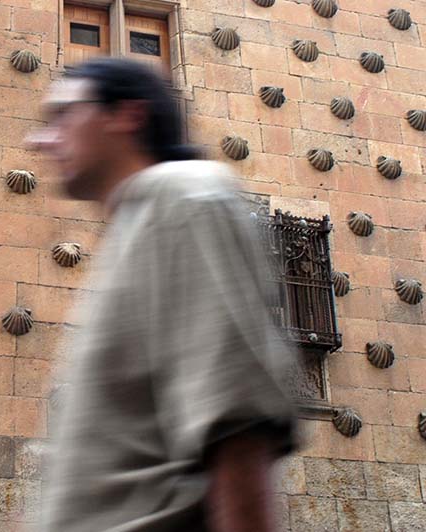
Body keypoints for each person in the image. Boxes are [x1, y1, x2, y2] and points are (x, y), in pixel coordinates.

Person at [31, 58, 297, 532]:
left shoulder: (188, 197)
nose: (41, 140)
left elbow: (235, 427)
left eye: (63, 115)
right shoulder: (139, 220)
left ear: (127, 115)